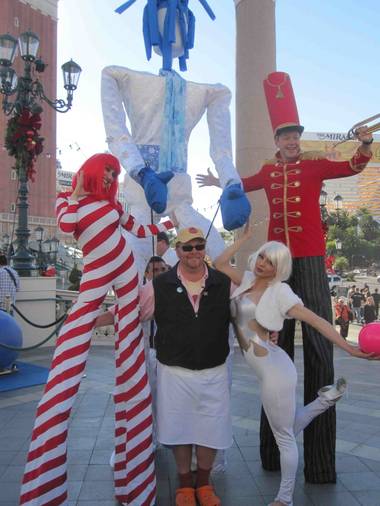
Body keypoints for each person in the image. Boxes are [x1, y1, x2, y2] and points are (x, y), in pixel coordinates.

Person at [196, 71, 374, 483]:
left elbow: (351, 167)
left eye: (296, 135)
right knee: (275, 352)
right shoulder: (268, 171)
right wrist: (219, 183)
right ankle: (271, 454)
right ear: (277, 141)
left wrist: (365, 143)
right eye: (285, 136)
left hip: (310, 262)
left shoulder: (314, 167)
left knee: (317, 352)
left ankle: (320, 463)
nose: (291, 141)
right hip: (277, 264)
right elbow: (243, 184)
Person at [20, 153, 173, 506]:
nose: (109, 177)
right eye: (106, 170)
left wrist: (159, 227)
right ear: (91, 170)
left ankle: (135, 479)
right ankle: (46, 487)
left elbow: (135, 228)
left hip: (126, 270)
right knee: (78, 324)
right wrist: (70, 196)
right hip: (96, 273)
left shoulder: (113, 205)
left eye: (113, 173)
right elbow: (66, 227)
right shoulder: (72, 202)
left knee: (132, 354)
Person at [213, 223, 378, 506]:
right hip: (267, 367)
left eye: (271, 261)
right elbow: (218, 263)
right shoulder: (248, 279)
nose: (264, 262)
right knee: (287, 427)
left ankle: (285, 498)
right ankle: (326, 400)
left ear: (280, 268)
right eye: (263, 256)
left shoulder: (282, 293)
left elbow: (315, 320)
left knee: (284, 438)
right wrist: (243, 240)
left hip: (276, 371)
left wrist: (348, 348)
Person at [101, 1, 250, 279]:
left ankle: (231, 312)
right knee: (132, 262)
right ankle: (133, 317)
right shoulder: (129, 79)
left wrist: (231, 182)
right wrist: (142, 172)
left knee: (215, 248)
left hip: (178, 194)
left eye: (178, 21)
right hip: (142, 193)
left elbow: (221, 146)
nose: (171, 31)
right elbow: (116, 130)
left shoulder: (207, 92)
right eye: (165, 19)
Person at [138, 226, 232, 506]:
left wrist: (267, 330)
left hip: (213, 369)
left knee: (210, 429)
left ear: (204, 249)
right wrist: (88, 320)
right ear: (177, 250)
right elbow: (132, 313)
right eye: (187, 247)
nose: (194, 252)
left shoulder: (224, 282)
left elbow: (246, 312)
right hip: (174, 370)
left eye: (198, 246)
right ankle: (183, 485)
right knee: (179, 429)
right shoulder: (158, 284)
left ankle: (203, 483)